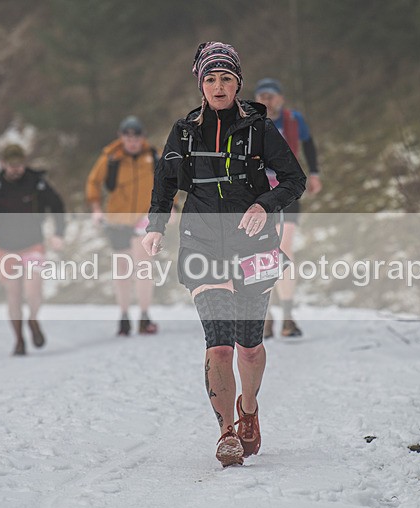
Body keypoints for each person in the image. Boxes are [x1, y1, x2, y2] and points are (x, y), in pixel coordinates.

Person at [142, 42, 305, 467]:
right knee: (219, 346)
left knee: (248, 347)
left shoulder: (259, 129)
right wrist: (156, 228)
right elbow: (165, 184)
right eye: (211, 79)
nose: (218, 86)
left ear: (237, 84)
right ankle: (226, 433)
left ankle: (248, 411)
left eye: (226, 78)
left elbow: (294, 179)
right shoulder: (183, 131)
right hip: (202, 243)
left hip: (254, 243)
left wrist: (264, 204)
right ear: (201, 84)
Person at [0, 144, 65, 356]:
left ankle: (33, 319)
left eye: (19, 165)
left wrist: (58, 232)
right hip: (6, 248)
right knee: (13, 293)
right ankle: (18, 339)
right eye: (11, 165)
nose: (16, 169)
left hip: (33, 244)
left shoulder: (37, 183)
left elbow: (57, 205)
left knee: (34, 289)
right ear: (3, 164)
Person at [254, 77, 322, 338]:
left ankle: (287, 315)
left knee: (284, 248)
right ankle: (267, 315)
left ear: (280, 99)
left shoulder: (294, 120)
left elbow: (309, 144)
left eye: (271, 96)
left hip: (288, 189)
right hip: (258, 191)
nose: (267, 101)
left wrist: (314, 173)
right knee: (261, 251)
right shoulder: (251, 121)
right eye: (262, 96)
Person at [85, 116, 159, 336]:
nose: (132, 142)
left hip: (143, 219)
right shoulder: (111, 157)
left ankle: (144, 316)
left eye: (136, 137)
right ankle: (124, 315)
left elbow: (167, 181)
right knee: (123, 270)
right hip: (117, 220)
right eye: (128, 137)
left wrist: (170, 206)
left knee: (143, 267)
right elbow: (93, 182)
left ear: (142, 138)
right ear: (121, 137)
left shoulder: (153, 156)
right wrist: (96, 208)